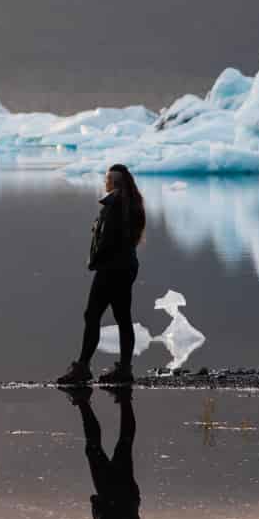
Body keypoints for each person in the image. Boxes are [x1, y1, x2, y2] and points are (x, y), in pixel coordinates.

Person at [56, 163, 146, 386]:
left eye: (107, 178)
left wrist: (95, 262)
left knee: (92, 315)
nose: (105, 182)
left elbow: (107, 240)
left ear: (114, 183)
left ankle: (83, 367)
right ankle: (124, 369)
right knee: (123, 318)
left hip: (111, 269)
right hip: (127, 267)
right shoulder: (132, 204)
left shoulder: (114, 204)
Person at [69, 385, 147, 519]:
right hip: (112, 496)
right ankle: (83, 403)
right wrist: (97, 507)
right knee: (93, 448)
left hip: (130, 498)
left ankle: (125, 400)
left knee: (124, 444)